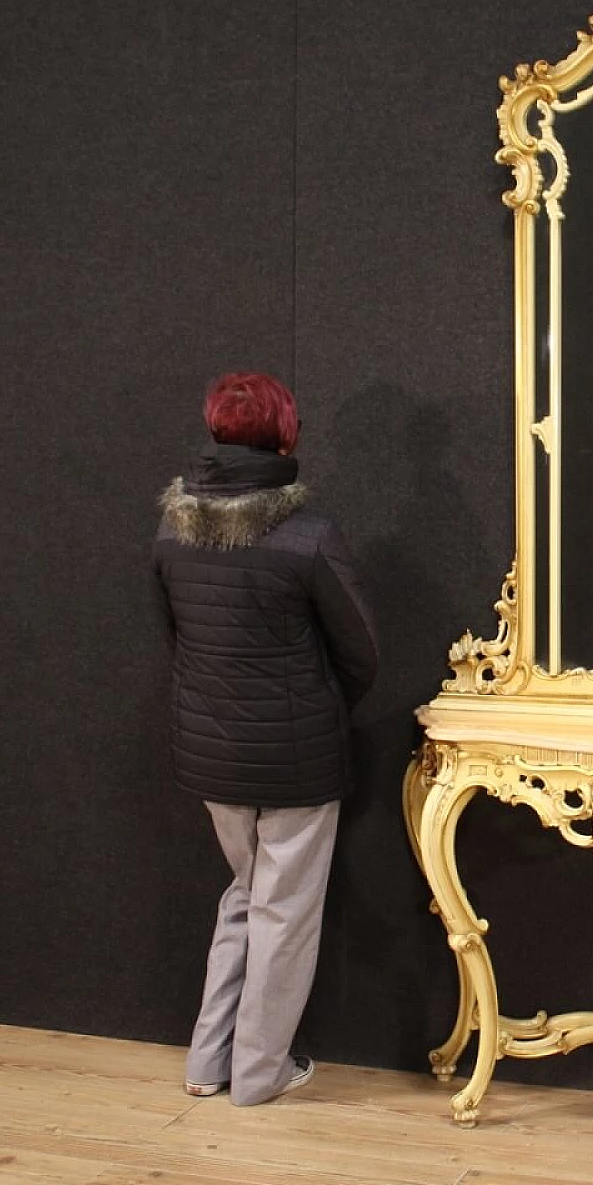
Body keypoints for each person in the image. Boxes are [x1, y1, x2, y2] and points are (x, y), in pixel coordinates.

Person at [153, 372, 378, 1105]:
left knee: (247, 896)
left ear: (215, 429)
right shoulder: (307, 535)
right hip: (297, 759)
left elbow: (174, 639)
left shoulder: (171, 529)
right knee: (283, 911)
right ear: (286, 434)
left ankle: (206, 1062)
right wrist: (316, 708)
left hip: (212, 755)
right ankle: (257, 1074)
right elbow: (361, 652)